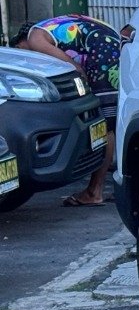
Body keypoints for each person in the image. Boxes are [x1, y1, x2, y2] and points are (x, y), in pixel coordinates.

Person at [12, 15, 122, 206]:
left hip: (102, 58)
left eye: (22, 53)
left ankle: (94, 191)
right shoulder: (52, 27)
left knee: (105, 127)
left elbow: (75, 69)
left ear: (21, 43)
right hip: (112, 48)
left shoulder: (34, 37)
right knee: (111, 123)